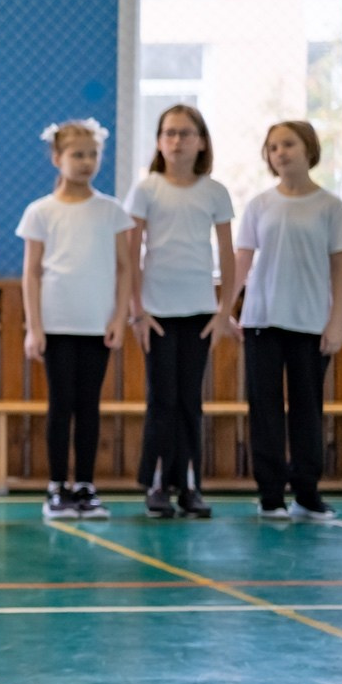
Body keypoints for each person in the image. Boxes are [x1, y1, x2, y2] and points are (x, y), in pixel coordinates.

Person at [225, 120, 342, 521]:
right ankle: (270, 494)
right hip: (263, 319)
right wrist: (226, 310)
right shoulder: (260, 205)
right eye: (273, 147)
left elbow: (339, 270)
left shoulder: (330, 206)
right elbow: (242, 261)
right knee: (264, 408)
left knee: (307, 408)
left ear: (309, 149)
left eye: (289, 145)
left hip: (311, 322)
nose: (280, 152)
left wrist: (337, 323)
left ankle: (307, 491)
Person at [17, 118, 133, 522]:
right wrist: (34, 326)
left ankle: (85, 484)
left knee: (89, 406)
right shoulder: (40, 212)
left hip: (96, 324)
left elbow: (124, 267)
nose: (86, 162)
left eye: (92, 154)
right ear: (57, 158)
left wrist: (120, 316)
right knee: (60, 404)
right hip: (57, 323)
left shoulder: (111, 211)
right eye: (77, 154)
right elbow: (31, 272)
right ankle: (56, 487)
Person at [125, 104, 235, 519]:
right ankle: (157, 485)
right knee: (162, 399)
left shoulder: (214, 192)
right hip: (156, 312)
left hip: (200, 313)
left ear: (201, 141)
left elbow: (227, 252)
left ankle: (189, 485)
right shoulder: (147, 189)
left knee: (190, 400)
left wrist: (223, 311)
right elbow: (131, 250)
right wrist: (137, 310)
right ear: (158, 141)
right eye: (169, 133)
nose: (177, 140)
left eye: (186, 133)